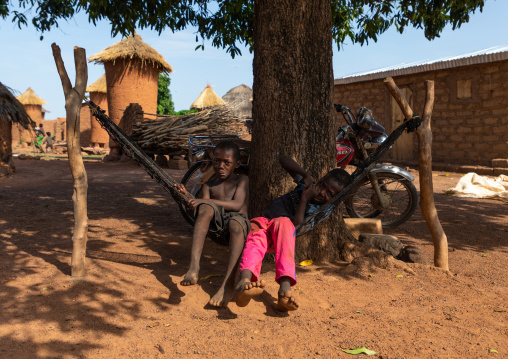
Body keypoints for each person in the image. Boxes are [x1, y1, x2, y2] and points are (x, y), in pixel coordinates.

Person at [235, 156, 351, 312]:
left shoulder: (321, 211)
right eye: (322, 184)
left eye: (329, 193)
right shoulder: (307, 185)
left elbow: (297, 225)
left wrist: (304, 198)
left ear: (334, 200)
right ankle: (244, 283)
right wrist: (305, 175)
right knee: (256, 239)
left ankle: (284, 290)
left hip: (280, 236)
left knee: (284, 222)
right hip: (263, 224)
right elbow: (283, 160)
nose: (321, 192)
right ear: (320, 179)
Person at [175, 140, 249, 307]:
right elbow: (203, 210)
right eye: (216, 161)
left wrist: (204, 201)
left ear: (236, 164)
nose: (220, 166)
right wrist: (188, 197)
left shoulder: (241, 179)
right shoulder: (209, 185)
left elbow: (238, 205)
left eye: (226, 162)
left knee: (235, 225)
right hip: (217, 228)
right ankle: (193, 267)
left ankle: (228, 284)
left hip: (238, 222)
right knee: (205, 207)